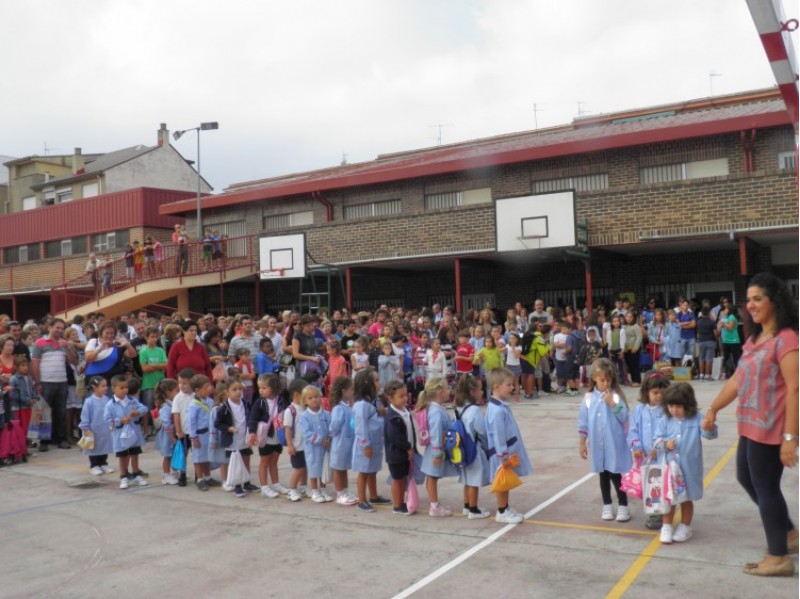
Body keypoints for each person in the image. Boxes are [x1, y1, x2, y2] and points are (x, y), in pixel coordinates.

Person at [703, 272, 798, 576]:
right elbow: (737, 379)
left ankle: (778, 557)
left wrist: (789, 437)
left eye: (758, 298)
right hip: (750, 426)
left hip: (772, 430)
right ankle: (789, 533)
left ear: (775, 301)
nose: (751, 305)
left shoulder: (787, 339)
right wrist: (714, 407)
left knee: (766, 487)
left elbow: (795, 389)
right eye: (749, 300)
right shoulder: (755, 339)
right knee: (748, 479)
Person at [655, 382, 712, 544]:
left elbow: (709, 435)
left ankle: (685, 526)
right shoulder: (665, 420)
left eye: (678, 406)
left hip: (689, 468)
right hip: (669, 469)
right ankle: (666, 526)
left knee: (687, 499)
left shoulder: (697, 419)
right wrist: (665, 444)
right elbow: (656, 441)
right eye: (671, 406)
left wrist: (709, 426)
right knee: (669, 498)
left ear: (688, 405)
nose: (674, 410)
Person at [578, 357, 632, 522]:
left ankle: (623, 505)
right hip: (598, 445)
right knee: (603, 475)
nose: (606, 383)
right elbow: (583, 421)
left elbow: (625, 417)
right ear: (594, 378)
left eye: (608, 379)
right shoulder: (588, 398)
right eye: (602, 379)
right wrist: (582, 443)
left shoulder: (615, 397)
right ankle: (607, 504)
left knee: (616, 474)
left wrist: (613, 405)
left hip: (613, 444)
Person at [486, 367, 533, 523]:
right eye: (509, 385)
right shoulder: (497, 411)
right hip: (501, 454)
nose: (513, 388)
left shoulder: (501, 406)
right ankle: (501, 511)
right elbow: (499, 437)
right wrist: (503, 456)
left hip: (506, 452)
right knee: (502, 482)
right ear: (496, 387)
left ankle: (505, 507)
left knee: (505, 481)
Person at [628, 371, 670, 530]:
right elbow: (632, 431)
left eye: (662, 392)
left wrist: (659, 446)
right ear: (647, 392)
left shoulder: (667, 410)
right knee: (650, 485)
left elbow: (670, 432)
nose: (659, 396)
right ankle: (655, 513)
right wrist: (636, 446)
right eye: (655, 392)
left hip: (663, 457)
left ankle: (661, 513)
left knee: (663, 484)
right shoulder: (639, 410)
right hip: (645, 458)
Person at [31, 318, 78, 451]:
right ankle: (44, 441)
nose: (59, 330)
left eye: (62, 328)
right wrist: (38, 382)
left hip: (62, 382)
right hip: (46, 382)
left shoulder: (64, 344)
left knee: (60, 412)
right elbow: (35, 364)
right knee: (44, 412)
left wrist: (68, 347)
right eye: (57, 327)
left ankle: (61, 439)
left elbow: (73, 361)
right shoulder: (39, 342)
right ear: (50, 327)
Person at [352, 368, 390, 512]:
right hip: (366, 445)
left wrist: (383, 412)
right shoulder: (361, 405)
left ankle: (374, 496)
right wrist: (365, 445)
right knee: (364, 472)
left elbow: (379, 417)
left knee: (372, 470)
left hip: (375, 442)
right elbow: (360, 427)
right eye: (376, 380)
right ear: (366, 383)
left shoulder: (375, 401)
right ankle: (362, 499)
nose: (379, 383)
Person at [417, 377, 456, 517]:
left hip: (435, 448)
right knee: (432, 477)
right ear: (440, 391)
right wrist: (437, 453)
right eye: (447, 388)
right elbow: (435, 433)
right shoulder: (436, 411)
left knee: (432, 476)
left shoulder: (436, 408)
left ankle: (434, 503)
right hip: (436, 449)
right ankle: (434, 506)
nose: (449, 390)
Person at [454, 375, 491, 519]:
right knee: (474, 481)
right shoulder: (474, 410)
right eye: (480, 389)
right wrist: (488, 449)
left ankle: (467, 505)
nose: (482, 392)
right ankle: (474, 510)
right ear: (472, 391)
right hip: (474, 449)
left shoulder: (459, 408)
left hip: (462, 449)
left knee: (467, 479)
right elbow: (481, 432)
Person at [214, 377, 258, 498]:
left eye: (240, 389)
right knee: (236, 462)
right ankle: (237, 486)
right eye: (234, 390)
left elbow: (250, 417)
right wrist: (229, 428)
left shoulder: (245, 403)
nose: (238, 392)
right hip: (232, 440)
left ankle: (247, 482)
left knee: (246, 459)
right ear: (227, 392)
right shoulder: (224, 407)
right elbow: (217, 424)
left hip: (244, 437)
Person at [247, 374, 288, 499]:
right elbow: (252, 419)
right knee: (264, 462)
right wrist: (252, 433)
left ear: (274, 388)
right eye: (260, 388)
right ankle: (264, 487)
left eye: (264, 387)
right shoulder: (259, 403)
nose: (261, 390)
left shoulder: (281, 400)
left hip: (278, 437)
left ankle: (276, 484)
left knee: (274, 461)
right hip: (265, 438)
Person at [104, 374, 149, 489]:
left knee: (134, 453)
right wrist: (120, 421)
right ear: (113, 389)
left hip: (133, 434)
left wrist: (137, 412)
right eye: (121, 388)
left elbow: (144, 408)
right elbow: (107, 420)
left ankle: (136, 475)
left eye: (126, 387)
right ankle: (123, 476)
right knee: (122, 455)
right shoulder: (110, 405)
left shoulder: (132, 400)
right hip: (120, 435)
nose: (125, 390)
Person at [383, 380, 417, 515]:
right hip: (396, 454)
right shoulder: (392, 416)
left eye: (405, 395)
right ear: (391, 398)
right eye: (401, 396)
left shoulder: (405, 410)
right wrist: (408, 447)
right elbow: (395, 437)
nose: (405, 398)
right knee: (397, 480)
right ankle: (397, 505)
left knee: (403, 478)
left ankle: (402, 501)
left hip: (404, 452)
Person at [298, 385, 334, 503]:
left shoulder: (327, 414)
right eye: (310, 398)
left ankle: (323, 489)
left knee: (324, 468)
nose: (314, 400)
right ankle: (315, 491)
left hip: (325, 448)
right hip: (312, 448)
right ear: (305, 401)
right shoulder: (304, 416)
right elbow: (306, 433)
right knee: (314, 468)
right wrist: (320, 439)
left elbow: (331, 428)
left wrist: (328, 439)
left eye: (316, 397)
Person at [328, 375, 358, 505]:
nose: (353, 392)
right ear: (343, 391)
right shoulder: (338, 408)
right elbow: (334, 426)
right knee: (338, 469)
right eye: (351, 390)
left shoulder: (346, 407)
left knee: (343, 468)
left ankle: (345, 491)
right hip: (339, 443)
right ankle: (339, 493)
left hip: (346, 443)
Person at [85, 321, 138, 391]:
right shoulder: (93, 342)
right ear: (101, 333)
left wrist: (128, 344)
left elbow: (133, 355)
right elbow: (88, 358)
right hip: (95, 383)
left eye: (112, 333)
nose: (109, 335)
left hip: (113, 384)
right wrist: (99, 349)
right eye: (107, 333)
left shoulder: (118, 343)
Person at [78, 376, 114, 476]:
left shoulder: (106, 399)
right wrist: (85, 427)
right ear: (95, 387)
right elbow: (85, 415)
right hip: (92, 429)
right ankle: (94, 465)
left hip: (104, 428)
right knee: (93, 447)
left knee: (104, 446)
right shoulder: (89, 401)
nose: (106, 388)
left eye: (106, 386)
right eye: (103, 386)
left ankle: (103, 463)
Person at [187, 374, 215, 491]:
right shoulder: (194, 405)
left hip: (209, 433)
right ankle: (200, 479)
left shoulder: (209, 401)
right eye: (206, 387)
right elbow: (191, 423)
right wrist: (194, 438)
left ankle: (208, 477)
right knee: (198, 458)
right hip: (199, 434)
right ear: (197, 390)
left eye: (209, 386)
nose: (209, 389)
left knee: (207, 456)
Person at [283, 378, 309, 503]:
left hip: (306, 445)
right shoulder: (290, 410)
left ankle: (303, 486)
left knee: (305, 467)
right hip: (296, 446)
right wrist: (290, 445)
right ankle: (292, 489)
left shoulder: (304, 408)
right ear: (296, 395)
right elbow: (287, 429)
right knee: (298, 468)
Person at [154, 378, 179, 485]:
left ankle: (175, 472)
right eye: (176, 391)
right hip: (167, 435)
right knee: (167, 455)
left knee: (174, 454)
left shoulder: (172, 404)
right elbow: (166, 422)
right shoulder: (166, 406)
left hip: (173, 433)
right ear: (168, 392)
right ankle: (166, 475)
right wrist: (172, 436)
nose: (178, 393)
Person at [695, 307, 717, 381]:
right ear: (709, 313)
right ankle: (707, 375)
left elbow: (698, 333)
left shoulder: (698, 322)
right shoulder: (712, 322)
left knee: (701, 358)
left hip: (701, 341)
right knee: (709, 359)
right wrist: (717, 338)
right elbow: (715, 333)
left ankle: (701, 375)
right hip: (710, 341)